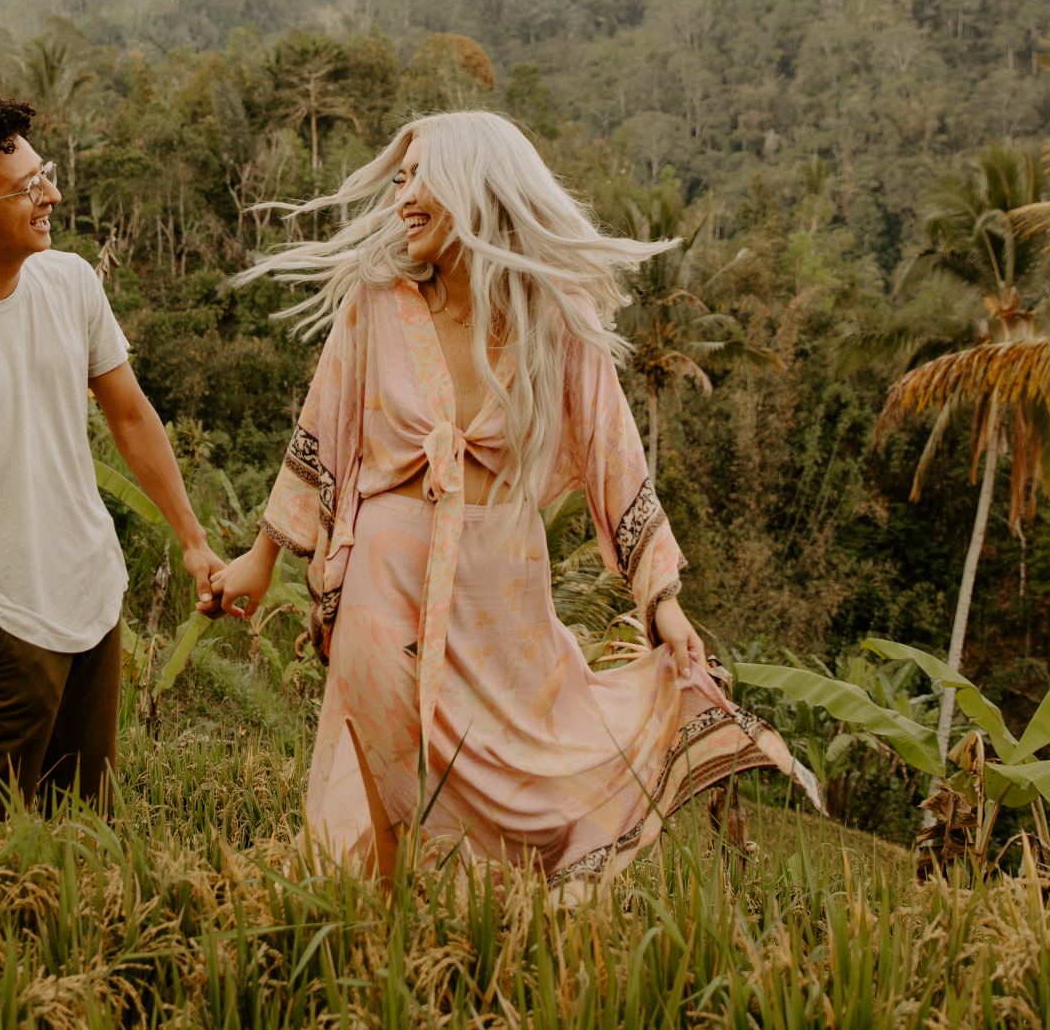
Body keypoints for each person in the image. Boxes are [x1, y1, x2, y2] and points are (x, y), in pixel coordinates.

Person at [210, 110, 820, 885]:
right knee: (399, 800)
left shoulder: (553, 311)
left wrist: (660, 597)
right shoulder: (377, 302)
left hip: (501, 583)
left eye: (417, 178)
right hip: (384, 577)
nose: (401, 198)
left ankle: (486, 948)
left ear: (473, 183)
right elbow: (318, 429)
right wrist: (260, 560)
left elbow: (614, 453)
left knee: (531, 794)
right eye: (395, 181)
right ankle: (384, 947)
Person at [0, 87, 227, 815]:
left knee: (85, 821)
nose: (51, 193)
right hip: (7, 621)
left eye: (45, 172)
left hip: (94, 595)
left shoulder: (71, 283)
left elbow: (129, 414)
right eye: (29, 188)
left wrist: (193, 539)